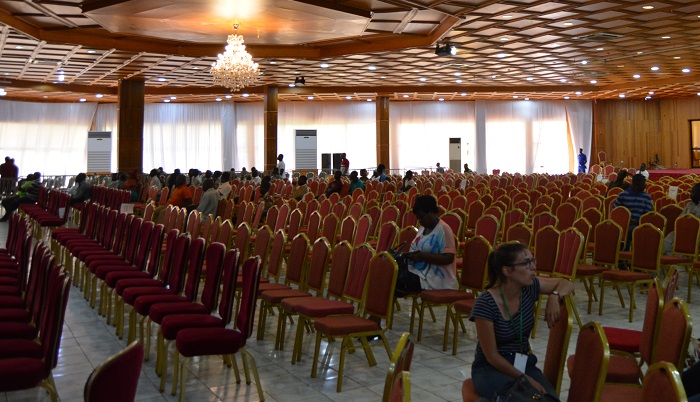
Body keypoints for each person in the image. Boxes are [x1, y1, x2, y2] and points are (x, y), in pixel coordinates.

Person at [470, 242, 573, 399]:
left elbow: (567, 283)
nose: (533, 267)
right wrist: (525, 378)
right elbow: (492, 356)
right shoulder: (485, 303)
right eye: (526, 263)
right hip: (491, 367)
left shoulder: (529, 287)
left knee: (548, 398)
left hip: (522, 361)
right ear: (507, 270)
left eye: (533, 261)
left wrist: (555, 295)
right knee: (520, 398)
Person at [397, 195, 458, 293]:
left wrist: (422, 256)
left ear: (432, 212)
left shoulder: (443, 229)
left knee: (395, 280)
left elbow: (448, 258)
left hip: (437, 280)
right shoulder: (422, 229)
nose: (420, 221)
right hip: (419, 273)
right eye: (418, 219)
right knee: (390, 274)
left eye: (422, 217)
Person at [613, 174, 653, 251]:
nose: (645, 185)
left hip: (639, 224)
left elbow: (647, 215)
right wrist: (626, 222)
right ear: (635, 184)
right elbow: (615, 212)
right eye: (643, 183)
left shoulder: (646, 197)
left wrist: (636, 222)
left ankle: (624, 253)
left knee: (629, 231)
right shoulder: (623, 195)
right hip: (622, 223)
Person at [664, 183, 700, 254]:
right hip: (684, 229)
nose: (690, 194)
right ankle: (661, 254)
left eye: (693, 192)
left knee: (679, 242)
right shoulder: (689, 204)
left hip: (696, 233)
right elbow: (680, 218)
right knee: (670, 237)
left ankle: (674, 256)